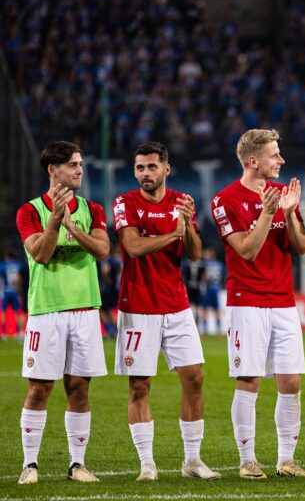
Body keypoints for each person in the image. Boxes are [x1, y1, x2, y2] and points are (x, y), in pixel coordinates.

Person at [113, 141, 220, 481]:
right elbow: (132, 246)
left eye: (151, 167)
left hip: (176, 306)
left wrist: (186, 227)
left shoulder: (182, 203)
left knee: (195, 379)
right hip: (138, 307)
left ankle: (192, 461)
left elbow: (195, 254)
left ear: (166, 169)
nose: (145, 173)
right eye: (140, 168)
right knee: (140, 386)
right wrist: (172, 232)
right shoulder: (124, 203)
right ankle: (147, 463)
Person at [211, 129, 305, 479]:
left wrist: (290, 213)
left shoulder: (283, 195)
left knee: (291, 382)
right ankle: (248, 460)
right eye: (275, 155)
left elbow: (301, 247)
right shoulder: (225, 199)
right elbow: (247, 251)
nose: (281, 160)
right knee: (249, 379)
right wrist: (268, 214)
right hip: (247, 301)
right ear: (253, 161)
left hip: (283, 301)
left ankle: (287, 460)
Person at [15, 141, 110, 484]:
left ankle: (77, 464)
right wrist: (56, 220)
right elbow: (40, 254)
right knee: (39, 388)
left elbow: (101, 248)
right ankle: (30, 465)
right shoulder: (29, 211)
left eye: (80, 164)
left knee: (79, 389)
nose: (80, 170)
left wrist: (71, 226)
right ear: (53, 170)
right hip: (46, 311)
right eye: (73, 165)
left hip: (85, 310)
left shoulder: (92, 209)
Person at [199, 248, 225, 336]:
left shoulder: (206, 265)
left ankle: (205, 331)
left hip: (208, 289)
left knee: (205, 310)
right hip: (216, 289)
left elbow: (204, 277)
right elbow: (222, 276)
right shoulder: (220, 265)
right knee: (217, 310)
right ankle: (219, 331)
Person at [1, 249, 24, 337]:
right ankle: (18, 332)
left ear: (7, 256)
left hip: (6, 291)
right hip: (15, 291)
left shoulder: (3, 265)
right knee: (16, 312)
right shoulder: (18, 265)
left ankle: (3, 332)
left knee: (3, 312)